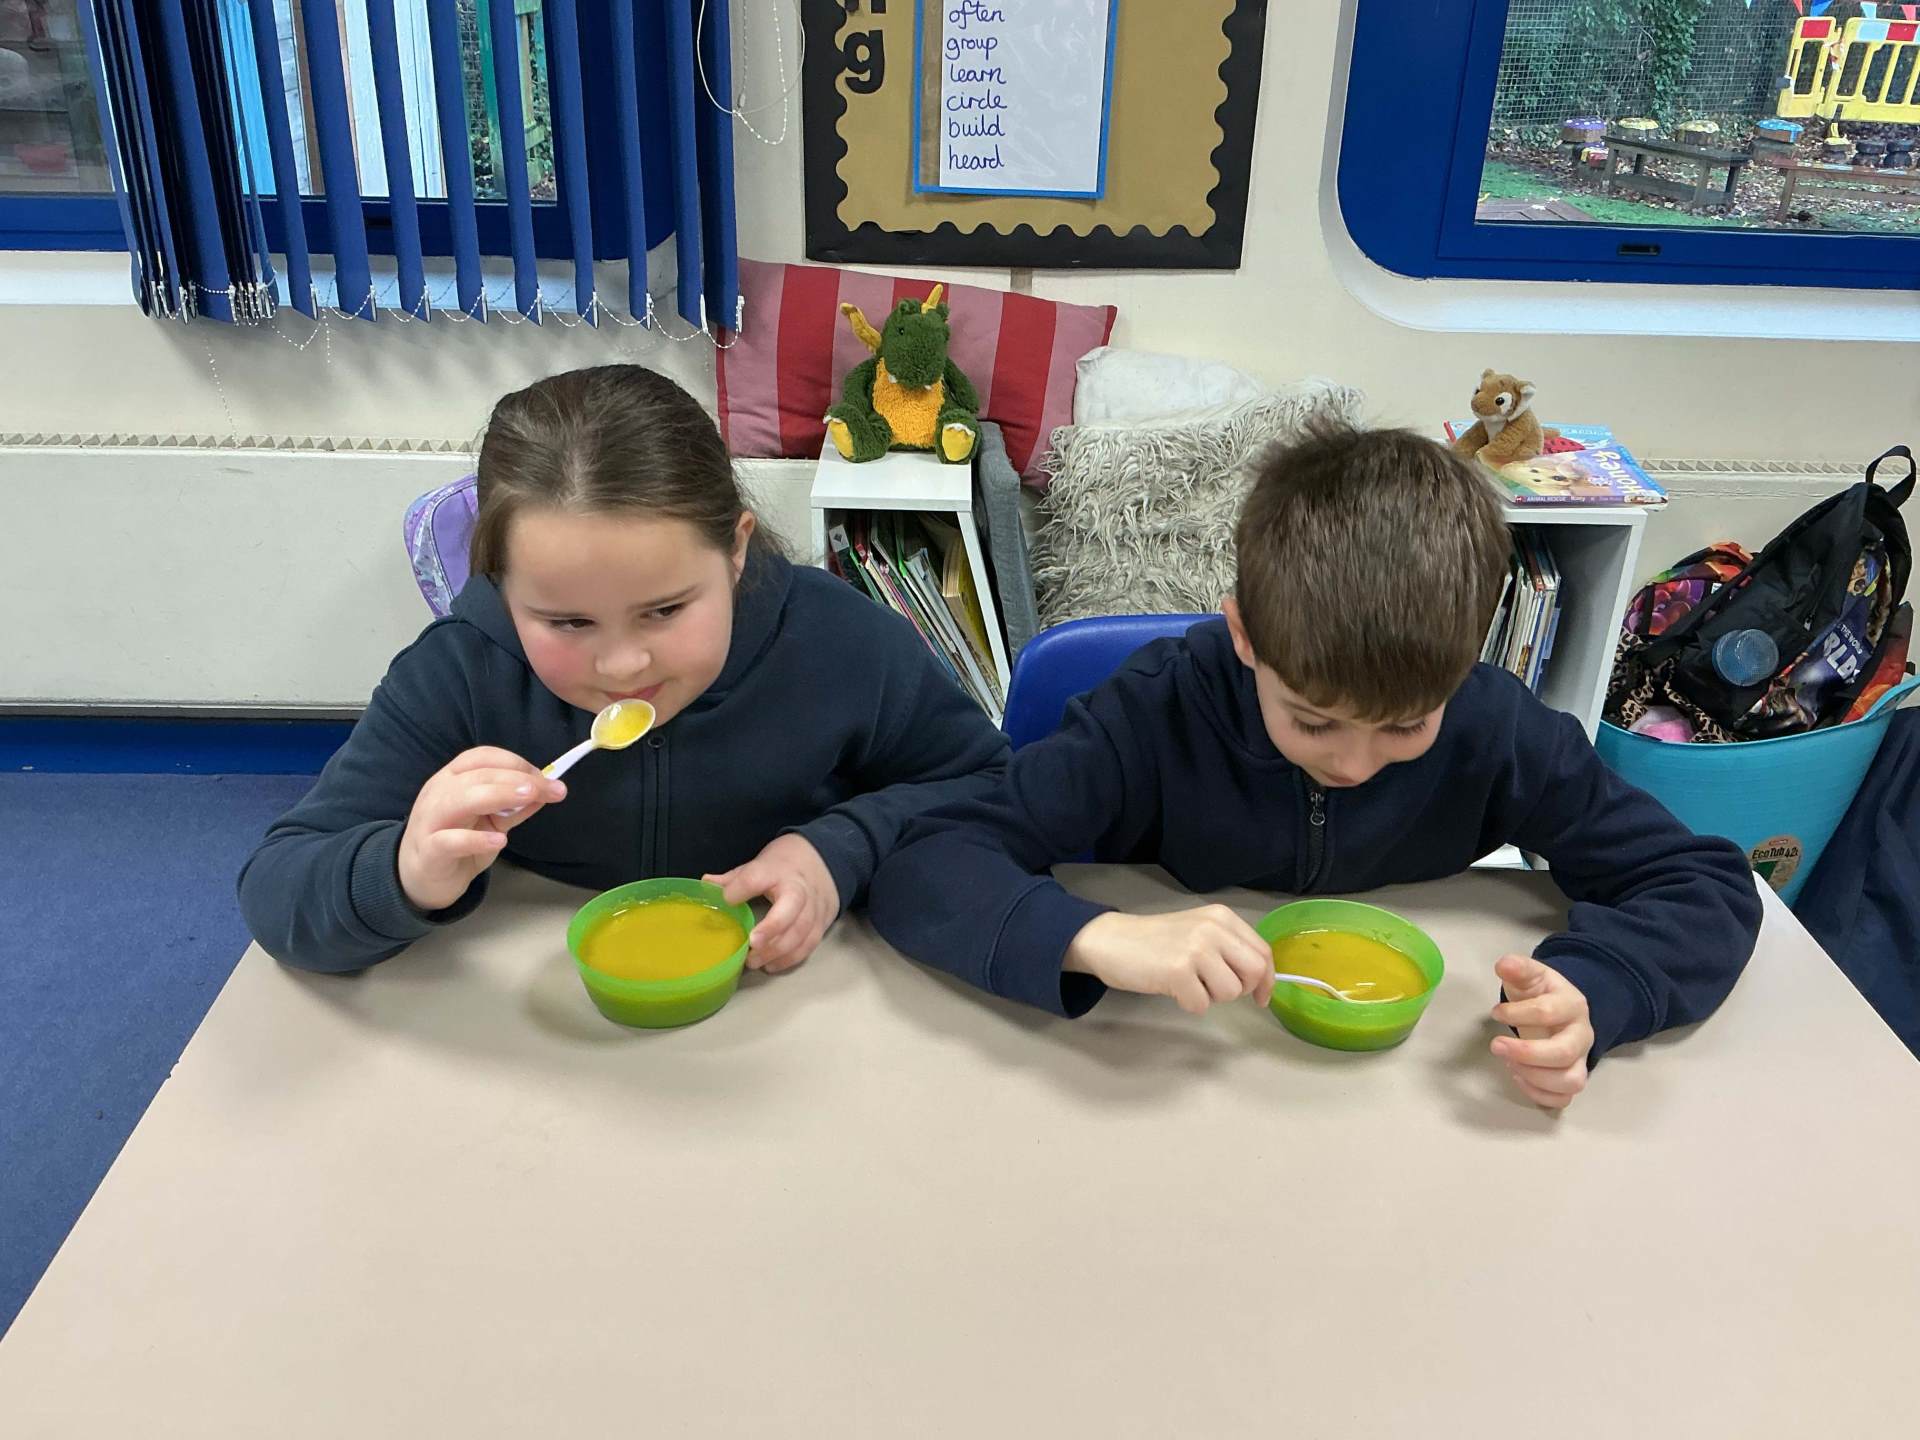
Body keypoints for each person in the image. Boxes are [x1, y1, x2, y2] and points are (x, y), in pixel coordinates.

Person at [868, 423, 1763, 1109]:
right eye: (1313, 721)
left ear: (1466, 663)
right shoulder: (1150, 718)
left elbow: (1703, 883)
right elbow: (928, 857)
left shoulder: (1498, 731)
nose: (1355, 764)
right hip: (1170, 1077)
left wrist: (1599, 992)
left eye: (1405, 727)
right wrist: (1098, 937)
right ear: (1245, 637)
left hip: (1404, 1103)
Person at [240, 364, 1008, 975]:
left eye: (665, 610)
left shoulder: (843, 643)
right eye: (568, 622)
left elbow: (994, 784)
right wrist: (402, 871)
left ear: (735, 550)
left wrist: (837, 850)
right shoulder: (462, 673)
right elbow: (278, 888)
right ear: (502, 584)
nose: (622, 666)